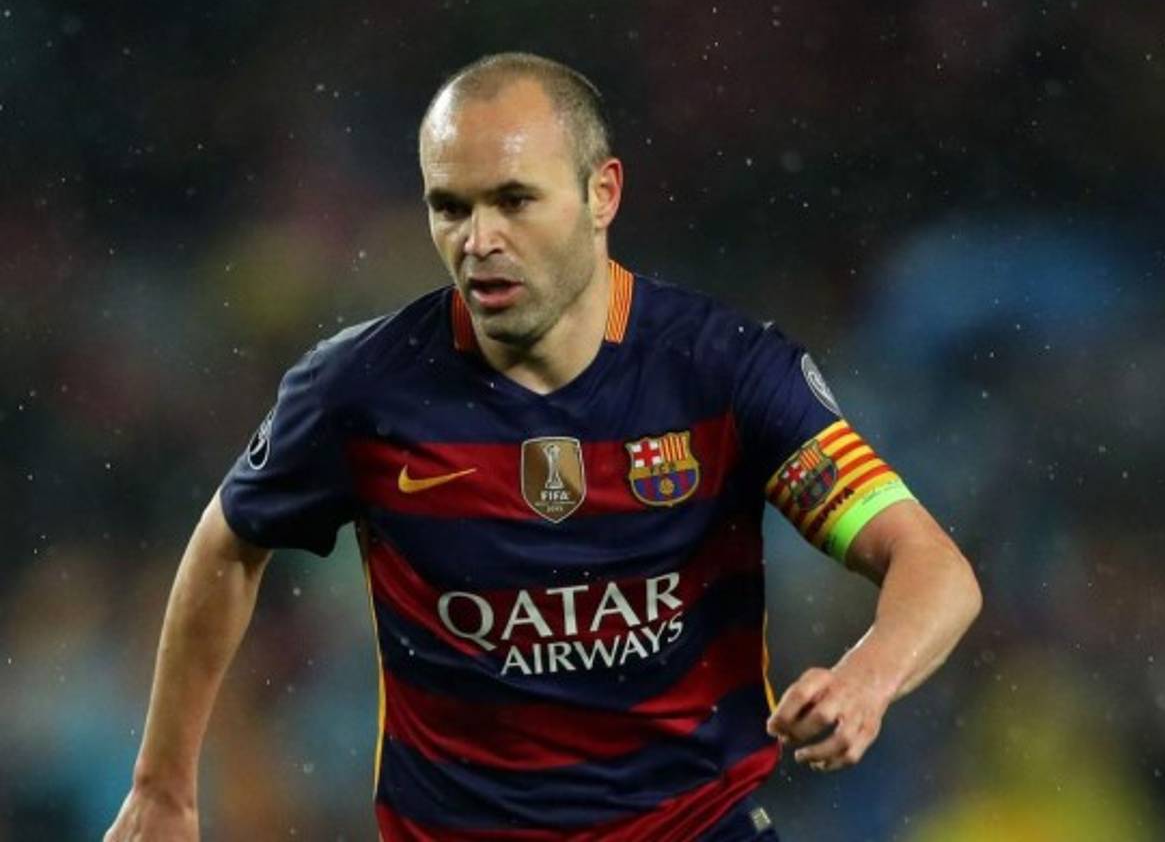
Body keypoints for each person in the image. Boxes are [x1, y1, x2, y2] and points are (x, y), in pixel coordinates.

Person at [105, 52, 981, 842]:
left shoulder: (722, 372)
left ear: (602, 193)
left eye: (513, 200)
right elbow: (228, 543)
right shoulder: (361, 390)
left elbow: (933, 565)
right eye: (450, 207)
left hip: (694, 828)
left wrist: (868, 679)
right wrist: (163, 787)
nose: (478, 240)